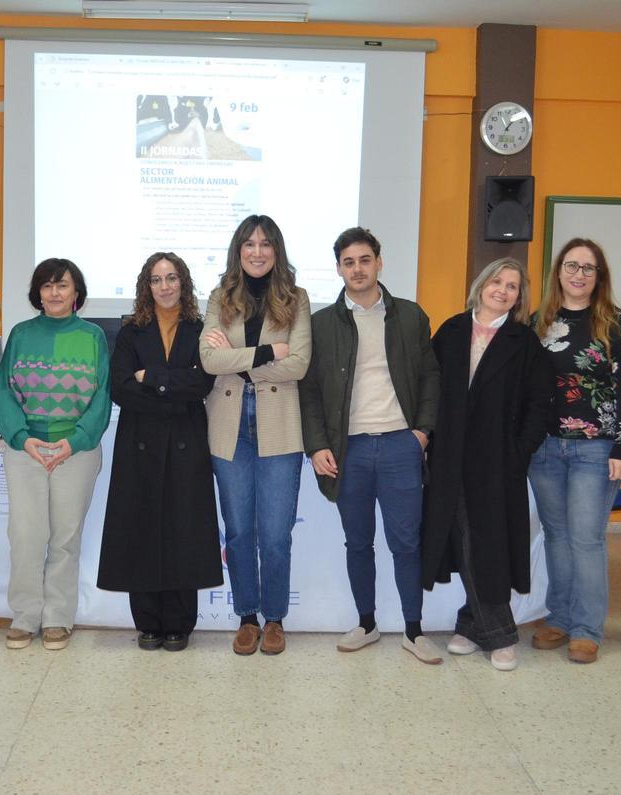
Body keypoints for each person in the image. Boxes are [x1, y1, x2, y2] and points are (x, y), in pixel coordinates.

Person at [299, 227, 442, 664]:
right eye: (348, 262)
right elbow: (309, 391)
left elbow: (430, 377)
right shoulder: (321, 324)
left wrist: (421, 431)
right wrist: (317, 445)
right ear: (339, 268)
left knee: (406, 543)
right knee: (358, 542)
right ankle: (367, 622)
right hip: (349, 450)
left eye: (364, 260)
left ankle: (414, 630)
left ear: (379, 262)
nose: (357, 269)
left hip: (401, 445)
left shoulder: (411, 316)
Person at [421, 257, 551, 672]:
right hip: (448, 458)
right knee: (460, 540)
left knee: (488, 545)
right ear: (481, 285)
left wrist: (520, 451)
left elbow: (539, 404)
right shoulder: (451, 331)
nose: (503, 290)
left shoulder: (523, 342)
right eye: (497, 281)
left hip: (497, 462)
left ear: (519, 297)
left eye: (512, 287)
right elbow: (429, 387)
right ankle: (471, 622)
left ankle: (498, 632)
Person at [98, 253, 221, 652]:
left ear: (183, 283)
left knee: (183, 530)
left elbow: (201, 383)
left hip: (187, 442)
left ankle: (180, 624)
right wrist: (172, 389)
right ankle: (148, 622)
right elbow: (119, 387)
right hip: (140, 443)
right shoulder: (132, 331)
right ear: (145, 286)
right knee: (142, 528)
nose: (164, 286)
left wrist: (151, 379)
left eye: (171, 278)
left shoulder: (201, 329)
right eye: (156, 279)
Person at [200, 214, 310, 656]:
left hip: (278, 424)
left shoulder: (297, 299)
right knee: (239, 531)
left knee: (276, 532)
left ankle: (276, 618)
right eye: (249, 244)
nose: (257, 251)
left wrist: (238, 358)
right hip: (229, 425)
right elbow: (208, 360)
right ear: (238, 250)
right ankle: (247, 616)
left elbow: (299, 364)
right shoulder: (218, 296)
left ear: (276, 250)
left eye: (266, 244)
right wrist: (268, 352)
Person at [528, 239, 621, 664]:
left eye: (588, 268)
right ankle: (558, 617)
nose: (579, 274)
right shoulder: (539, 321)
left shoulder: (615, 324)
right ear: (558, 272)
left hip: (596, 451)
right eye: (572, 266)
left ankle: (587, 628)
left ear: (599, 277)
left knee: (586, 539)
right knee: (556, 536)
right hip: (544, 449)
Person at [0, 259, 110, 651]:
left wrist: (73, 442)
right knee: (26, 535)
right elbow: (5, 391)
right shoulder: (21, 334)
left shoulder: (93, 336)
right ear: (37, 292)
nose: (54, 293)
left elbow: (102, 397)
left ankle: (58, 617)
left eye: (62, 285)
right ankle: (24, 616)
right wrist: (21, 437)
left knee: (65, 537)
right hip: (25, 450)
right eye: (46, 286)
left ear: (76, 292)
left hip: (75, 452)